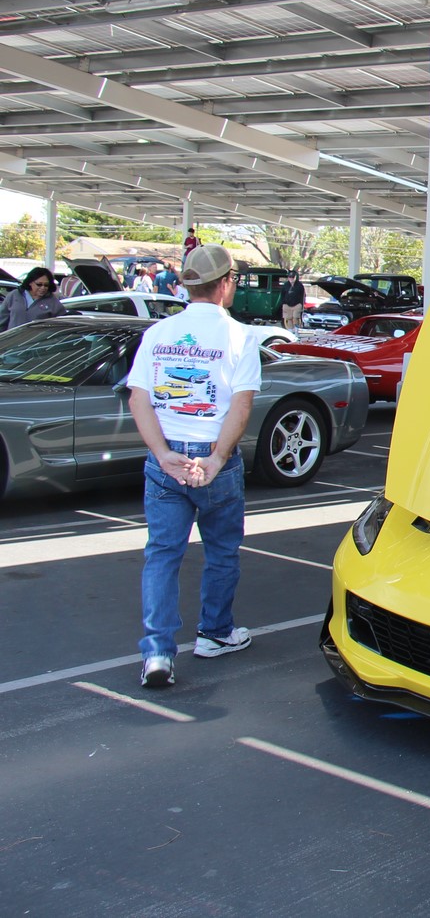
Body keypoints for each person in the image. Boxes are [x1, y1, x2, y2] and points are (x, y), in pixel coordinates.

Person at [127, 245, 259, 688]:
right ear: (225, 284)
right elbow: (240, 408)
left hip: (166, 459)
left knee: (162, 555)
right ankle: (215, 633)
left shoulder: (158, 333)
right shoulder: (240, 336)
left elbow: (138, 398)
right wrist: (218, 459)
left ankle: (158, 654)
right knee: (221, 550)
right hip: (212, 455)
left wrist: (164, 453)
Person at [1, 267, 68, 331]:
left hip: (38, 342)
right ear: (30, 282)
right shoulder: (14, 295)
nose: (43, 288)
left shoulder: (53, 302)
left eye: (46, 285)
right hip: (12, 341)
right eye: (39, 284)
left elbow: (60, 327)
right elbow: (1, 321)